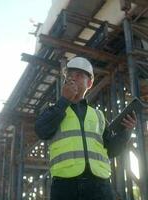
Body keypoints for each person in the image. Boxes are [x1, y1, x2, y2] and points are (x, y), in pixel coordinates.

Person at [35, 57, 137, 200]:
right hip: (65, 186)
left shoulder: (98, 115)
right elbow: (42, 131)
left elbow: (111, 150)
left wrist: (126, 132)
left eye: (79, 75)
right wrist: (64, 100)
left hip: (99, 185)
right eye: (70, 76)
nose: (73, 78)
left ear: (89, 83)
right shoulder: (53, 110)